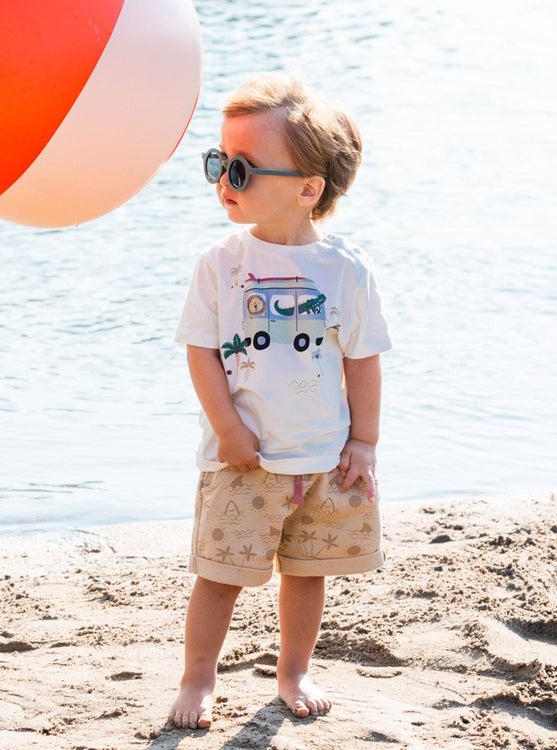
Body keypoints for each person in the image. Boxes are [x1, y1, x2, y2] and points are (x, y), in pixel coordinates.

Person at [169, 72, 392, 730]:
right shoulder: (221, 264)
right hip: (240, 459)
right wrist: (228, 429)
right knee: (219, 573)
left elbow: (363, 361)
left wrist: (364, 443)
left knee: (306, 570)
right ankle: (199, 677)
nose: (223, 182)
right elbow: (201, 351)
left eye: (240, 169)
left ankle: (293, 669)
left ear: (307, 188)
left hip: (321, 457)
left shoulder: (345, 270)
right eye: (218, 163)